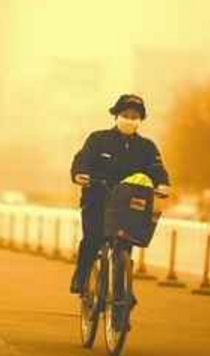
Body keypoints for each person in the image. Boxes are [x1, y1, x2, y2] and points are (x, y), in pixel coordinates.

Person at [70, 94, 170, 294]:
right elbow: (83, 160)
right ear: (116, 115)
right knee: (92, 239)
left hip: (128, 205)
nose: (130, 119)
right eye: (125, 114)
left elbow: (157, 169)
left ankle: (121, 295)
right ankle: (81, 278)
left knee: (125, 244)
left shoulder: (147, 147)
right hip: (97, 199)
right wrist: (80, 174)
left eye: (135, 116)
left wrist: (163, 184)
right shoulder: (98, 139)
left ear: (140, 120)